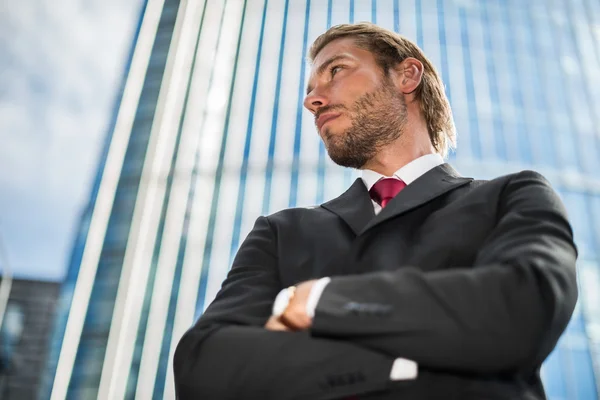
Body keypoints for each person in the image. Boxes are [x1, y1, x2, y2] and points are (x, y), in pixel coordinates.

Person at [173, 22, 577, 400]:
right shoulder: (281, 231)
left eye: (335, 70)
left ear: (407, 76)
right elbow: (204, 365)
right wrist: (418, 366)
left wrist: (318, 302)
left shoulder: (513, 195)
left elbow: (522, 308)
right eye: (311, 88)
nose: (312, 100)